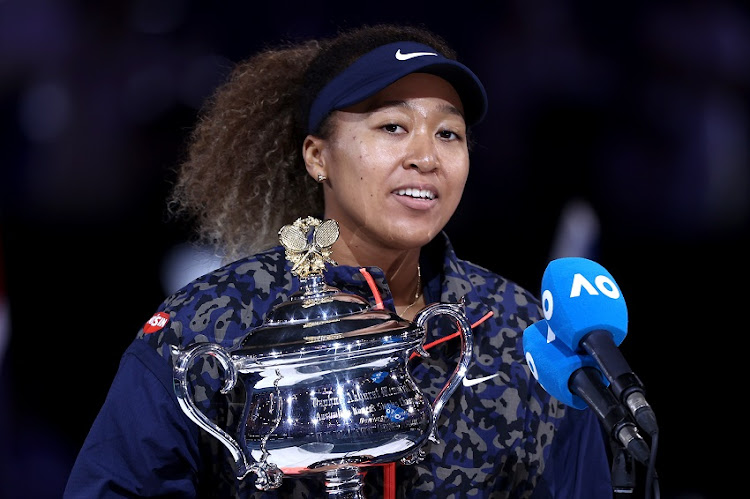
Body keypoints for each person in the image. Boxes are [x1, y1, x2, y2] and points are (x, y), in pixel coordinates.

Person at [64, 23, 613, 498]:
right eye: (392, 127)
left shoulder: (524, 335)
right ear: (317, 156)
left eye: (449, 133)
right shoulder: (205, 326)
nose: (426, 157)